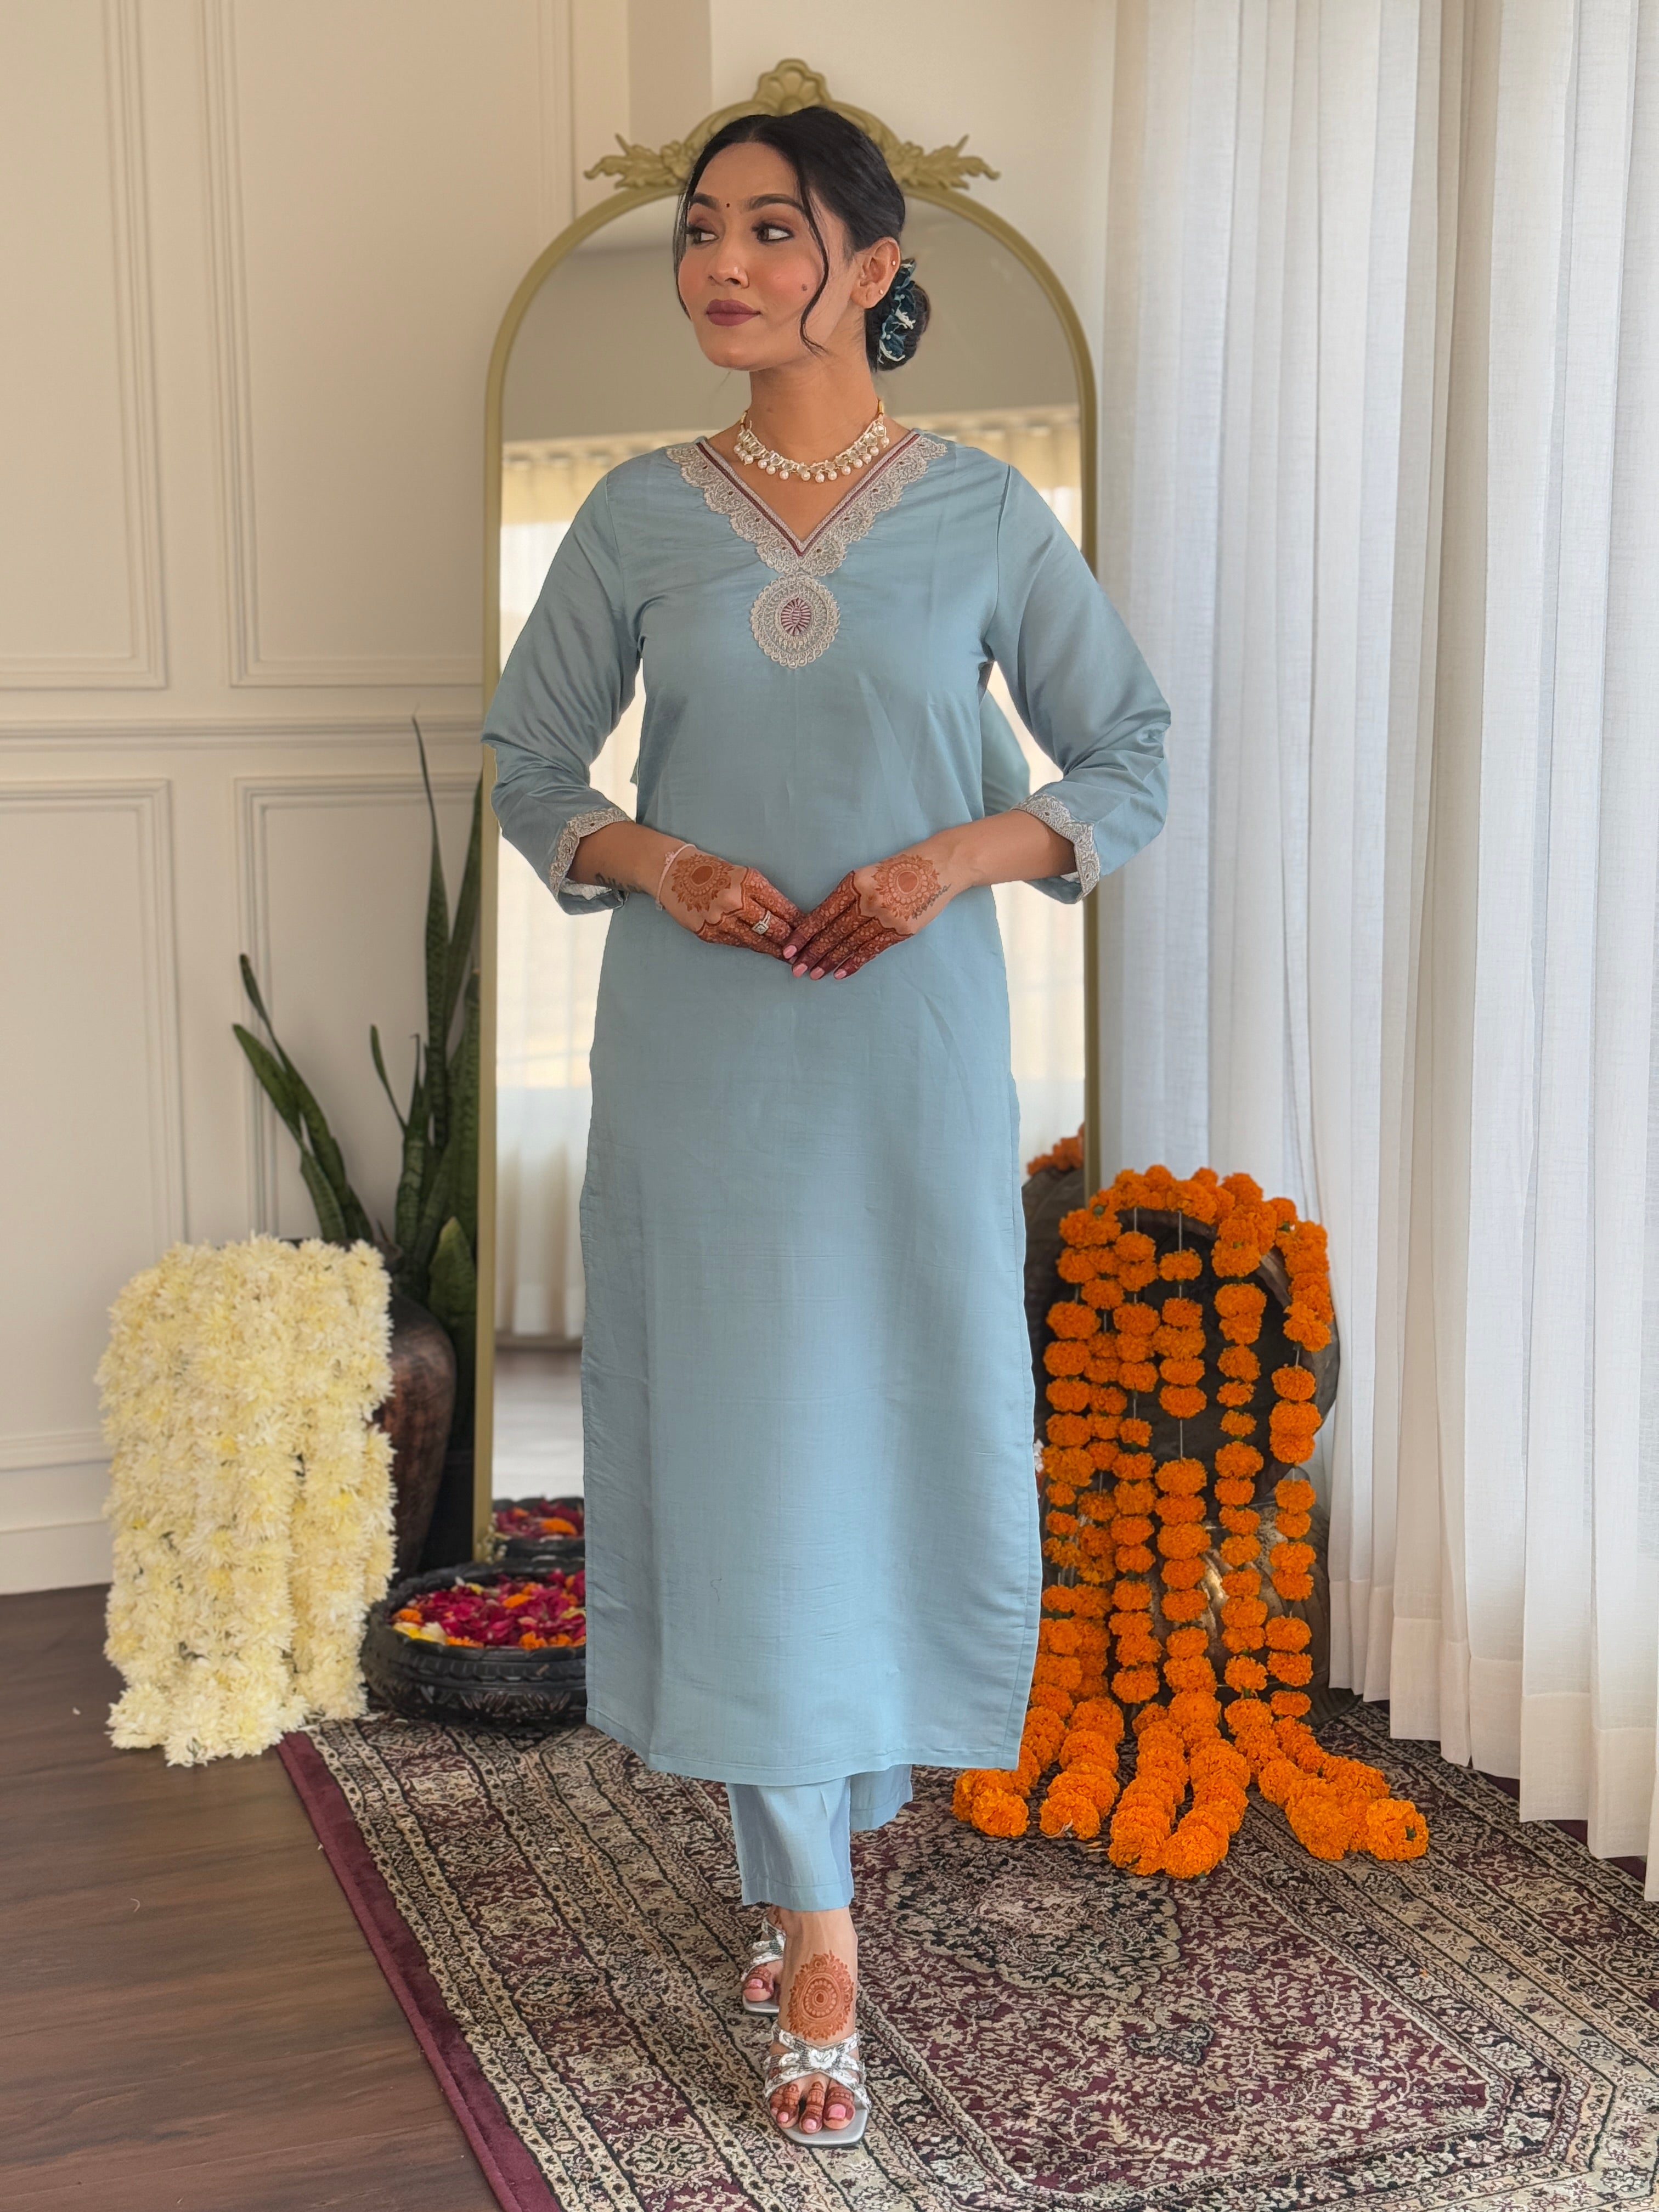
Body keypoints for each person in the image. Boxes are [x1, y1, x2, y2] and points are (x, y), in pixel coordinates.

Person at [484, 104, 1170, 2147]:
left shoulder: (983, 515)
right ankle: (819, 1933)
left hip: (908, 1053)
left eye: (771, 230)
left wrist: (957, 855)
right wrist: (657, 860)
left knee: (877, 1432)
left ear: (871, 267)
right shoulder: (639, 516)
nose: (722, 262)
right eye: (702, 230)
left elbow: (1128, 754)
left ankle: (798, 1846)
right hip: (706, 1059)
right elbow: (531, 762)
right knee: (751, 1449)